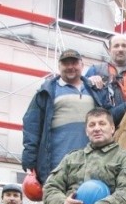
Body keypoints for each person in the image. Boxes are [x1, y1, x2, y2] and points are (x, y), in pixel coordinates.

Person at [22, 48, 117, 188]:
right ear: (59, 67)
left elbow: (110, 115)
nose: (71, 67)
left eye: (74, 63)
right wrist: (29, 158)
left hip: (90, 163)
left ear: (82, 65)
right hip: (56, 164)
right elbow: (32, 125)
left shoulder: (94, 90)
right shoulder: (47, 92)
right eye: (66, 64)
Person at [86, 34, 126, 121]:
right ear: (109, 50)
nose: (120, 49)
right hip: (102, 126)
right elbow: (82, 96)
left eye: (124, 46)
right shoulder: (96, 70)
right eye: (116, 46)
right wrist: (88, 82)